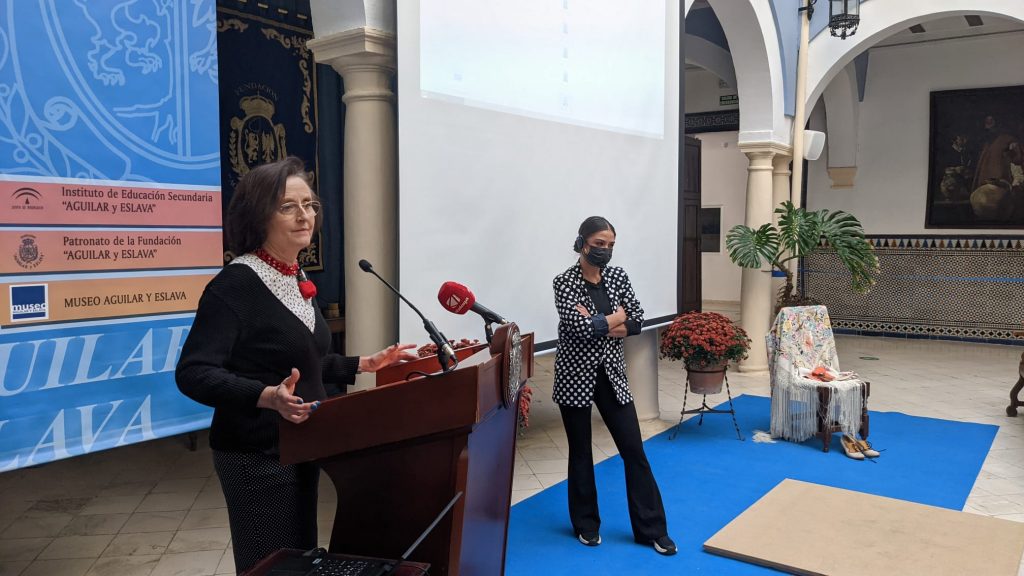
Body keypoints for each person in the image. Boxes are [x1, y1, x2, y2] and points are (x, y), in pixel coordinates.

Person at [176, 157, 417, 574]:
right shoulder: (235, 284)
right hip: (257, 456)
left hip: (302, 446)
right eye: (288, 206)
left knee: (300, 563)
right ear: (258, 213)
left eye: (309, 204)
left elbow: (300, 362)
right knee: (270, 567)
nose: (304, 215)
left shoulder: (291, 274)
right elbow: (193, 372)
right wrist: (265, 397)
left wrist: (365, 363)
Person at [551, 216, 676, 556]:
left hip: (613, 376)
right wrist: (615, 318)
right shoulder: (564, 282)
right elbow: (578, 329)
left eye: (610, 246)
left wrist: (607, 322)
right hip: (574, 377)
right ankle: (586, 525)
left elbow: (636, 319)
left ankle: (652, 529)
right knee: (580, 453)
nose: (605, 251)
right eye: (599, 244)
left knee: (634, 451)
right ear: (582, 243)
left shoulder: (618, 276)